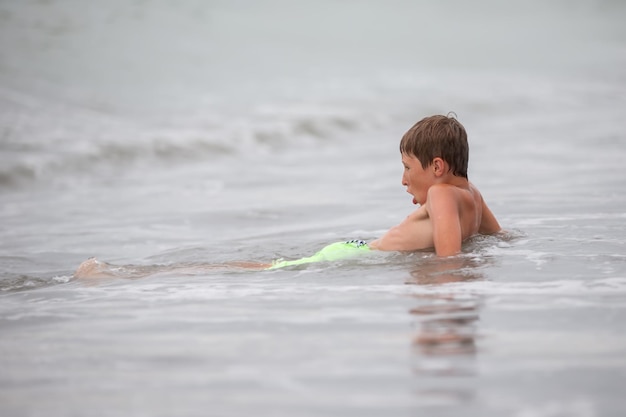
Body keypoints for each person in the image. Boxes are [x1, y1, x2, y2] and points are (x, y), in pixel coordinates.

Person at [74, 114, 500, 279]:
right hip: (353, 251)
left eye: (408, 168)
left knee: (256, 267)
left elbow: (450, 261)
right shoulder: (472, 196)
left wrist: (446, 286)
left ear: (438, 167)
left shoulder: (442, 195)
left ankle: (122, 273)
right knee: (257, 267)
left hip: (354, 251)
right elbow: (497, 239)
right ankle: (124, 274)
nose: (404, 180)